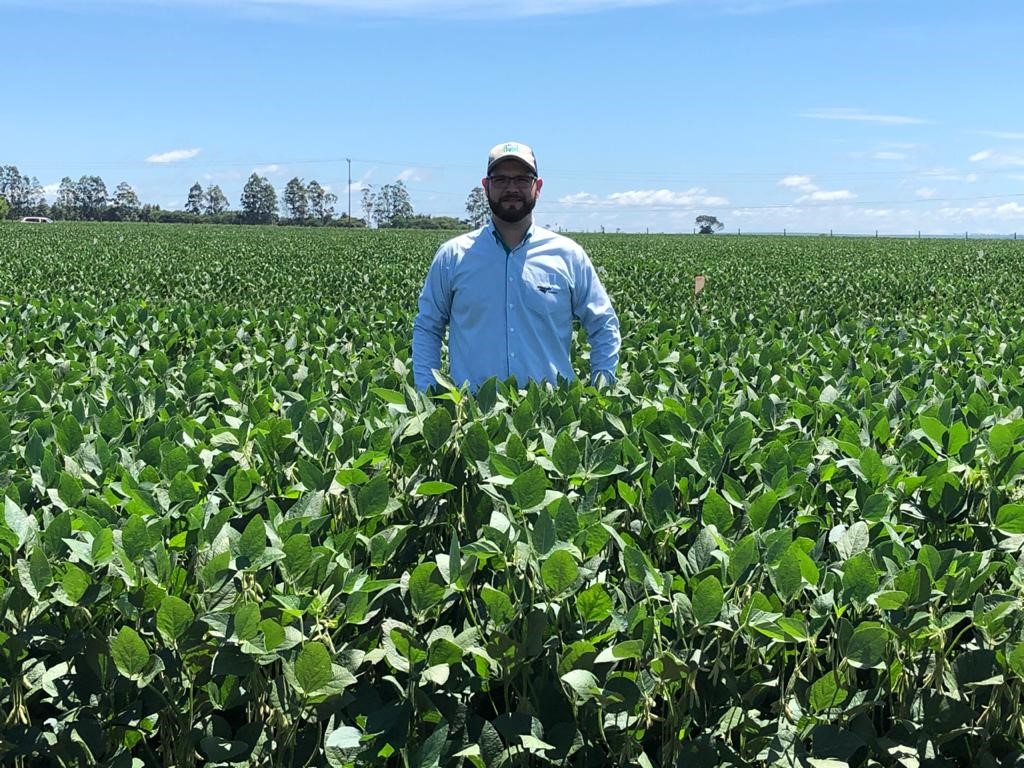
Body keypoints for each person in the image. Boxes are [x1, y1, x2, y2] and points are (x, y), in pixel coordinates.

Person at [412, 141, 621, 393]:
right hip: (472, 417)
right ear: (486, 186)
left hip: (551, 416)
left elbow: (603, 324)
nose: (512, 188)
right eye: (501, 180)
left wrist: (602, 392)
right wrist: (427, 394)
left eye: (522, 179)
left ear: (538, 187)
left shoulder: (568, 255)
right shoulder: (452, 256)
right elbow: (427, 328)